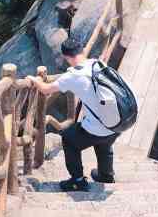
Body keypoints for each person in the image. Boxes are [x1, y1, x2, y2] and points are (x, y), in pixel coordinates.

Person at [27, 38, 119, 192]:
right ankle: (106, 174)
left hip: (99, 127)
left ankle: (77, 180)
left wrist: (33, 80)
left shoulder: (73, 76)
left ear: (66, 57)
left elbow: (45, 89)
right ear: (82, 50)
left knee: (69, 139)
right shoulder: (98, 63)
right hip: (116, 123)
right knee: (103, 138)